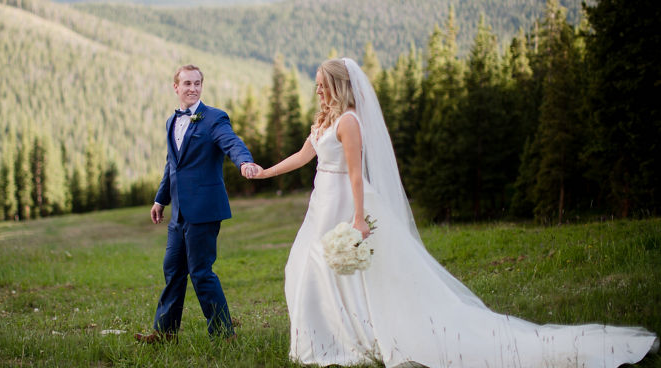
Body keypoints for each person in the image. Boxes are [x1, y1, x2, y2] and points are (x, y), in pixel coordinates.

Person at [250, 58, 659, 367]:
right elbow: (305, 155)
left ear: (339, 86)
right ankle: (324, 340)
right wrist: (266, 171)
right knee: (303, 268)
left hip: (343, 201)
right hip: (320, 202)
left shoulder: (350, 122)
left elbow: (357, 177)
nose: (318, 92)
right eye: (316, 86)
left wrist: (358, 220)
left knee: (335, 272)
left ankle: (348, 339)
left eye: (323, 87)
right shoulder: (324, 119)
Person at [135, 64, 259, 344]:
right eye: (187, 83)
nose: (192, 88)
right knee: (173, 271)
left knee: (201, 272)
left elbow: (232, 143)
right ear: (175, 87)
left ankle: (225, 334)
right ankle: (165, 333)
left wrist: (245, 161)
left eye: (197, 83)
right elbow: (172, 165)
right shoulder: (171, 122)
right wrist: (160, 199)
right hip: (178, 212)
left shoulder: (214, 118)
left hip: (204, 209)